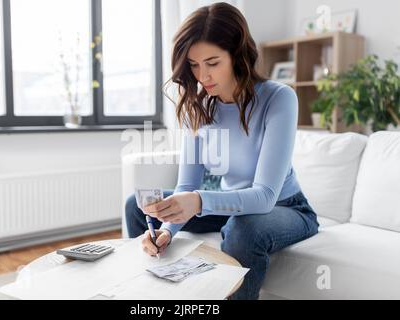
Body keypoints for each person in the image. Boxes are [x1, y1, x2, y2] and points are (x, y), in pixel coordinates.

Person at [125, 2, 319, 300]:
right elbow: (187, 186)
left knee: (244, 229)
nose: (202, 75)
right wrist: (166, 230)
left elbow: (265, 195)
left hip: (284, 206)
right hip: (229, 206)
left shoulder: (279, 98)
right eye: (193, 64)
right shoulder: (197, 107)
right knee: (136, 205)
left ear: (237, 55)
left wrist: (198, 201)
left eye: (213, 62)